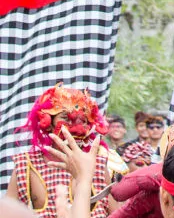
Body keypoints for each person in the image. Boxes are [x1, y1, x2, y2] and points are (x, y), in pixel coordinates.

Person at [5, 85, 111, 217]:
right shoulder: (25, 165)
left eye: (82, 120)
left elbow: (119, 213)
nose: (76, 127)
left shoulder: (98, 164)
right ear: (48, 123)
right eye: (66, 118)